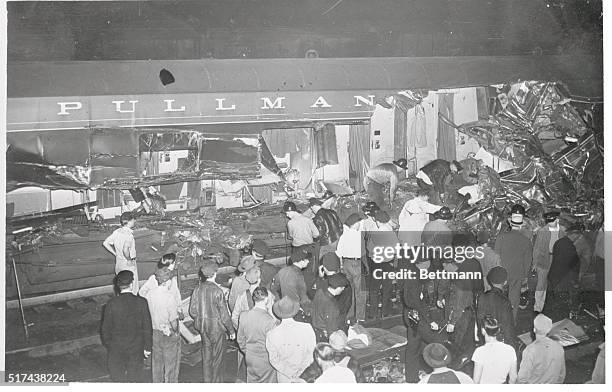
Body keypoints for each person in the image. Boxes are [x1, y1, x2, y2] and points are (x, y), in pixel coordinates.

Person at [101, 270, 152, 382]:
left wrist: (111, 345)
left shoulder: (111, 303)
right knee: (135, 379)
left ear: (118, 285)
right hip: (136, 349)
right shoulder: (141, 302)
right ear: (132, 283)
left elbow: (105, 329)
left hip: (117, 348)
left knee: (118, 380)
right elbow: (147, 327)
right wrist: (147, 347)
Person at [189, 262, 235, 383]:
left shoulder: (197, 289)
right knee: (218, 360)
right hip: (217, 330)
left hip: (203, 328)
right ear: (214, 274)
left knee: (207, 358)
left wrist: (201, 319)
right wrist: (231, 330)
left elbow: (192, 311)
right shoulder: (217, 291)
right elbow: (224, 315)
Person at [444, 233, 484, 365]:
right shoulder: (475, 263)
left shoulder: (459, 268)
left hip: (461, 310)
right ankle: (468, 361)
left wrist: (452, 320)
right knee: (469, 338)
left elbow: (459, 295)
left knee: (457, 340)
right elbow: (480, 287)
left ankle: (454, 365)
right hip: (473, 305)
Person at [495, 205, 533, 321]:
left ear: (510, 223)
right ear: (521, 225)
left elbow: (496, 257)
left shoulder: (501, 237)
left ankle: (497, 321)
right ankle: (511, 322)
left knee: (499, 297)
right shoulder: (526, 241)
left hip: (502, 273)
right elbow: (528, 261)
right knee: (514, 300)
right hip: (517, 274)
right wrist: (525, 276)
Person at [266, 297, 317, 383]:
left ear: (279, 313)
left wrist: (289, 372)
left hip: (284, 375)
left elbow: (274, 359)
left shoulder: (272, 334)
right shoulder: (307, 328)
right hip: (304, 374)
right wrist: (300, 371)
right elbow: (311, 354)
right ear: (294, 311)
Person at [144, 268, 181, 383]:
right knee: (171, 365)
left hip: (155, 332)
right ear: (167, 281)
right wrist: (175, 332)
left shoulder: (149, 294)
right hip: (168, 333)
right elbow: (174, 321)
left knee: (157, 363)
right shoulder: (169, 297)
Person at [237, 287, 279, 383]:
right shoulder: (270, 321)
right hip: (266, 361)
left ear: (254, 298)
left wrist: (247, 351)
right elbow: (274, 346)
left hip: (250, 358)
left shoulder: (243, 315)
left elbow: (240, 340)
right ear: (266, 299)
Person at [336, 213, 368, 322]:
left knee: (349, 291)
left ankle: (349, 315)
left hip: (346, 264)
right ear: (356, 223)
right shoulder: (359, 236)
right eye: (359, 223)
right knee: (361, 292)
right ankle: (360, 317)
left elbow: (339, 253)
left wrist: (341, 266)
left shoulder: (343, 236)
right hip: (357, 264)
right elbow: (364, 252)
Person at [366, 210, 398, 318]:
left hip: (377, 264)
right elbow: (396, 249)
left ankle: (373, 313)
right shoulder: (392, 233)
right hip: (388, 264)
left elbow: (369, 248)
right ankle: (385, 312)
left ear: (378, 221)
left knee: (374, 289)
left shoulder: (376, 233)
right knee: (387, 288)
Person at [476, 266, 517, 349]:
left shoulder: (482, 297)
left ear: (490, 281)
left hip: (485, 339)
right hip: (499, 341)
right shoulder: (504, 301)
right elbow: (508, 327)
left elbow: (479, 319)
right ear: (505, 282)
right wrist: (512, 346)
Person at [517, 314, 565, 383]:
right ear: (549, 330)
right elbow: (561, 375)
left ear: (534, 329)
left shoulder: (530, 350)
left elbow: (521, 379)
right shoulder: (559, 347)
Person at [532, 211, 563, 313]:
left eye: (552, 221)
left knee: (556, 282)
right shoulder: (542, 231)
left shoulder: (563, 230)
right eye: (548, 221)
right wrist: (535, 263)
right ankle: (538, 307)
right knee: (541, 284)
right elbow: (536, 248)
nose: (550, 223)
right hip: (544, 259)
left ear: (557, 219)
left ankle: (554, 306)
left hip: (557, 260)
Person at [308, 252, 352, 325]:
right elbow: (348, 303)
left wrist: (319, 278)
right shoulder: (346, 282)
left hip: (324, 323)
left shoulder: (323, 284)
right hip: (340, 320)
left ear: (323, 268)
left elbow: (312, 296)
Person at [472, 315, 517, 384]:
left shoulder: (479, 352)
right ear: (497, 330)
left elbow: (476, 382)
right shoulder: (511, 350)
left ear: (483, 331)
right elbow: (513, 378)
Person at [103, 211, 139, 294]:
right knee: (132, 289)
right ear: (129, 221)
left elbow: (105, 243)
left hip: (119, 263)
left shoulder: (117, 232)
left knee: (121, 288)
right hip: (128, 264)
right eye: (133, 220)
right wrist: (129, 259)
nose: (134, 221)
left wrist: (115, 253)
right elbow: (125, 249)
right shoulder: (129, 235)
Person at [139, 253, 183, 319]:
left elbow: (177, 295)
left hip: (171, 309)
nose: (176, 264)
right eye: (174, 263)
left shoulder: (172, 280)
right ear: (169, 264)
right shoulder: (155, 278)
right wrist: (154, 299)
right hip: (159, 311)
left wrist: (179, 310)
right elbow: (141, 292)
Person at [548, 226, 581, 304]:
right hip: (563, 278)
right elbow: (574, 264)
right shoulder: (570, 246)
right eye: (578, 236)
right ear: (574, 235)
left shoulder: (558, 242)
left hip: (553, 275)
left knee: (555, 298)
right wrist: (575, 281)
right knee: (562, 300)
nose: (578, 238)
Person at [312, 273, 350, 341]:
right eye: (342, 287)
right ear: (338, 288)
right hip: (324, 334)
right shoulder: (331, 305)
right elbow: (332, 331)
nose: (343, 289)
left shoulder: (319, 292)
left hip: (315, 328)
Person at [283, 201, 320, 269]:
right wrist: (309, 235)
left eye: (287, 213)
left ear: (292, 211)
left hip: (297, 249)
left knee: (297, 269)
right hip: (309, 248)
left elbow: (290, 236)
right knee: (309, 268)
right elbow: (317, 234)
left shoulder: (290, 223)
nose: (287, 215)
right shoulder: (308, 220)